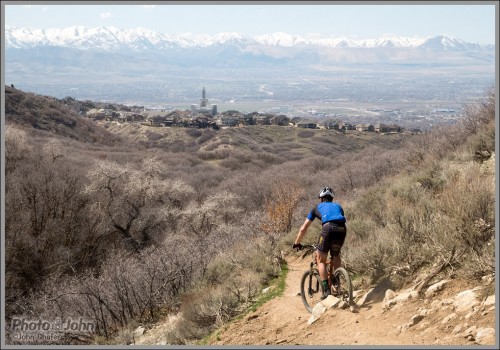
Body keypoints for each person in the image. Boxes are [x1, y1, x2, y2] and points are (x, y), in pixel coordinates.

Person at [293, 187, 347, 300]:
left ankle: (326, 290)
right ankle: (337, 284)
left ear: (321, 199)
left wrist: (297, 243)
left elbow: (303, 229)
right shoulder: (338, 206)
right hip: (342, 229)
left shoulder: (316, 208)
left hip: (327, 229)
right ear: (332, 199)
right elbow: (339, 219)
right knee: (336, 255)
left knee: (321, 259)